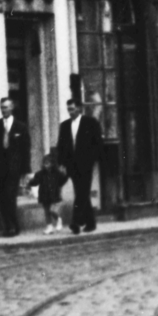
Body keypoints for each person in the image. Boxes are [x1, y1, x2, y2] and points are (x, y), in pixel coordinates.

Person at [0, 95, 31, 237]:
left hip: (14, 170)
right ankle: (8, 226)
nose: (3, 110)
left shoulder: (21, 127)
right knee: (1, 198)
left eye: (6, 107)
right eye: (2, 108)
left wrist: (26, 170)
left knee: (10, 197)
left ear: (12, 107)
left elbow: (25, 150)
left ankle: (14, 225)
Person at [55, 96, 103, 235]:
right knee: (81, 192)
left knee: (82, 192)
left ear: (79, 108)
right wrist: (61, 164)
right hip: (71, 165)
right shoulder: (65, 125)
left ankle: (75, 222)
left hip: (86, 164)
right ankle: (90, 223)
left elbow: (98, 143)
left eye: (72, 109)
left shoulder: (90, 123)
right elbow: (61, 146)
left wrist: (92, 160)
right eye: (68, 109)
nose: (70, 112)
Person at [28, 150, 68, 235]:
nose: (45, 165)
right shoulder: (40, 174)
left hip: (54, 195)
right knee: (46, 212)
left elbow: (62, 181)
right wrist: (30, 182)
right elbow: (35, 182)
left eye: (47, 163)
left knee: (52, 210)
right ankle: (49, 227)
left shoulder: (57, 173)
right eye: (44, 163)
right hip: (44, 195)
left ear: (52, 164)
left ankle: (58, 219)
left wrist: (65, 175)